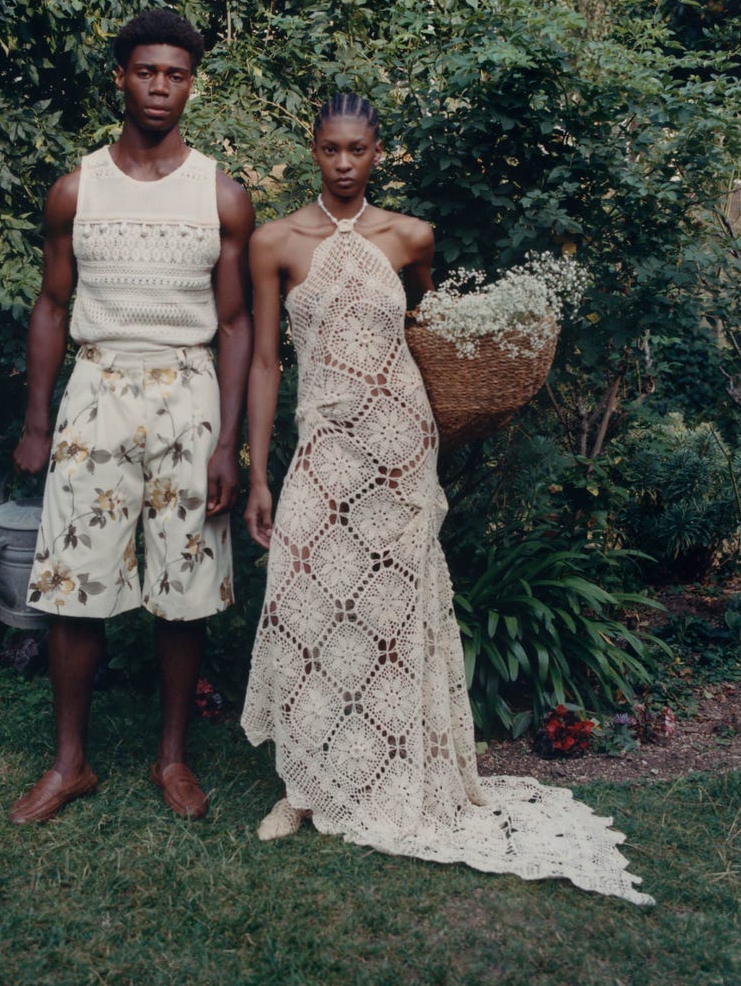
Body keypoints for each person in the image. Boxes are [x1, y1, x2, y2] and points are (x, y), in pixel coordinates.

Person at [240, 93, 653, 905]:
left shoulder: (411, 235)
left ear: (377, 150)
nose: (346, 162)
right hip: (323, 443)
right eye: (331, 149)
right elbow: (264, 362)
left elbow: (432, 324)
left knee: (393, 608)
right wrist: (258, 470)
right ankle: (304, 785)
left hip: (399, 441)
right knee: (301, 598)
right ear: (314, 150)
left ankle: (396, 773)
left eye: (359, 148)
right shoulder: (274, 242)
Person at [9, 8, 254, 825]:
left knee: (183, 590)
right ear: (121, 76)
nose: (160, 87)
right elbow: (51, 303)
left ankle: (172, 757)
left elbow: (233, 323)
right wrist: (38, 420)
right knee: (74, 586)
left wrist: (230, 443)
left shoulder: (220, 194)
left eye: (176, 74)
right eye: (147, 71)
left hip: (188, 399)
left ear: (192, 82)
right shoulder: (77, 188)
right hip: (96, 390)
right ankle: (69, 763)